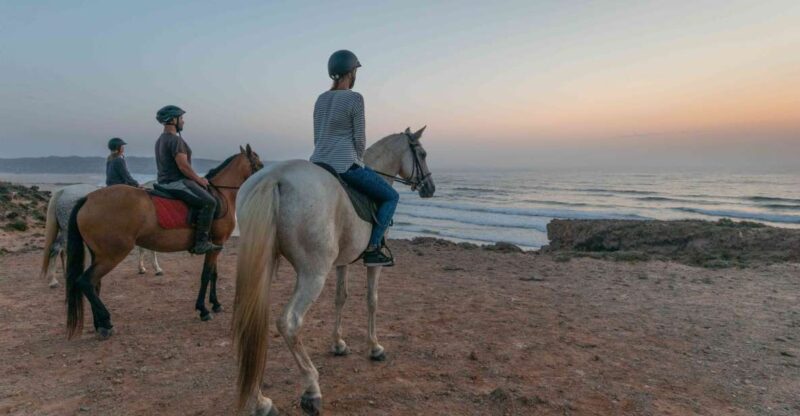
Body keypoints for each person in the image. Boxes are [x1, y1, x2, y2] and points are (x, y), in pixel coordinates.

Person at [310, 50, 398, 267]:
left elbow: (316, 137)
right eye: (355, 70)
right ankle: (373, 248)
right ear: (351, 72)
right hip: (344, 165)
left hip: (318, 163)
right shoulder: (355, 98)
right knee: (391, 197)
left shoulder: (321, 99)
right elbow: (360, 139)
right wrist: (358, 160)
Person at [153, 105, 221, 255]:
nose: (183, 122)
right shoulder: (175, 140)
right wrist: (199, 179)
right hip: (176, 182)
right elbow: (183, 166)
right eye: (181, 118)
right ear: (173, 119)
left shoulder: (160, 140)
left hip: (163, 182)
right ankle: (201, 243)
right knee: (210, 202)